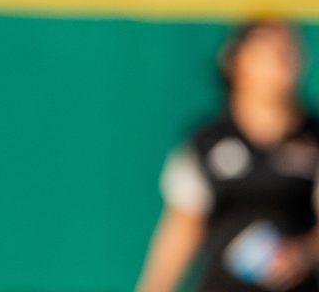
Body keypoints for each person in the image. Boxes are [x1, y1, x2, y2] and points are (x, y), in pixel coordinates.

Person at [137, 17, 319, 292]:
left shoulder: (312, 140)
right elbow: (182, 228)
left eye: (289, 51)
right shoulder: (207, 142)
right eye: (269, 53)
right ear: (238, 62)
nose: (283, 63)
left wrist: (302, 252)